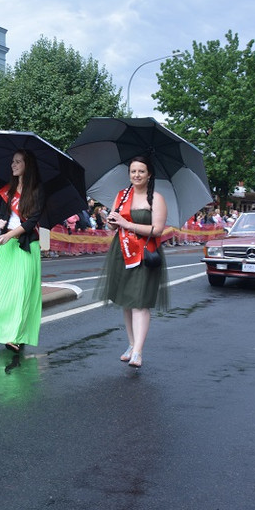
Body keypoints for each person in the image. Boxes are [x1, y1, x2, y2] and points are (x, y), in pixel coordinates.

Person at [96, 155, 169, 368]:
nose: (136, 175)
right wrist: (109, 221)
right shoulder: (121, 196)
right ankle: (131, 344)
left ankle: (138, 351)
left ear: (149, 175)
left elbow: (157, 230)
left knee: (140, 302)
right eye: (133, 171)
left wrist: (127, 224)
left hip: (145, 253)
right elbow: (114, 226)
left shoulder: (156, 199)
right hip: (122, 252)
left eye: (141, 171)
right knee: (127, 302)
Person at [0, 150, 45, 353]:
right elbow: (2, 215)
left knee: (22, 293)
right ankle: (0, 329)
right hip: (7, 246)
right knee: (1, 291)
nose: (13, 165)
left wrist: (10, 235)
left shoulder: (37, 190)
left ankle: (16, 335)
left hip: (25, 245)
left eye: (18, 161)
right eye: (12, 161)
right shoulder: (8, 190)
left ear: (28, 164)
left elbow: (33, 221)